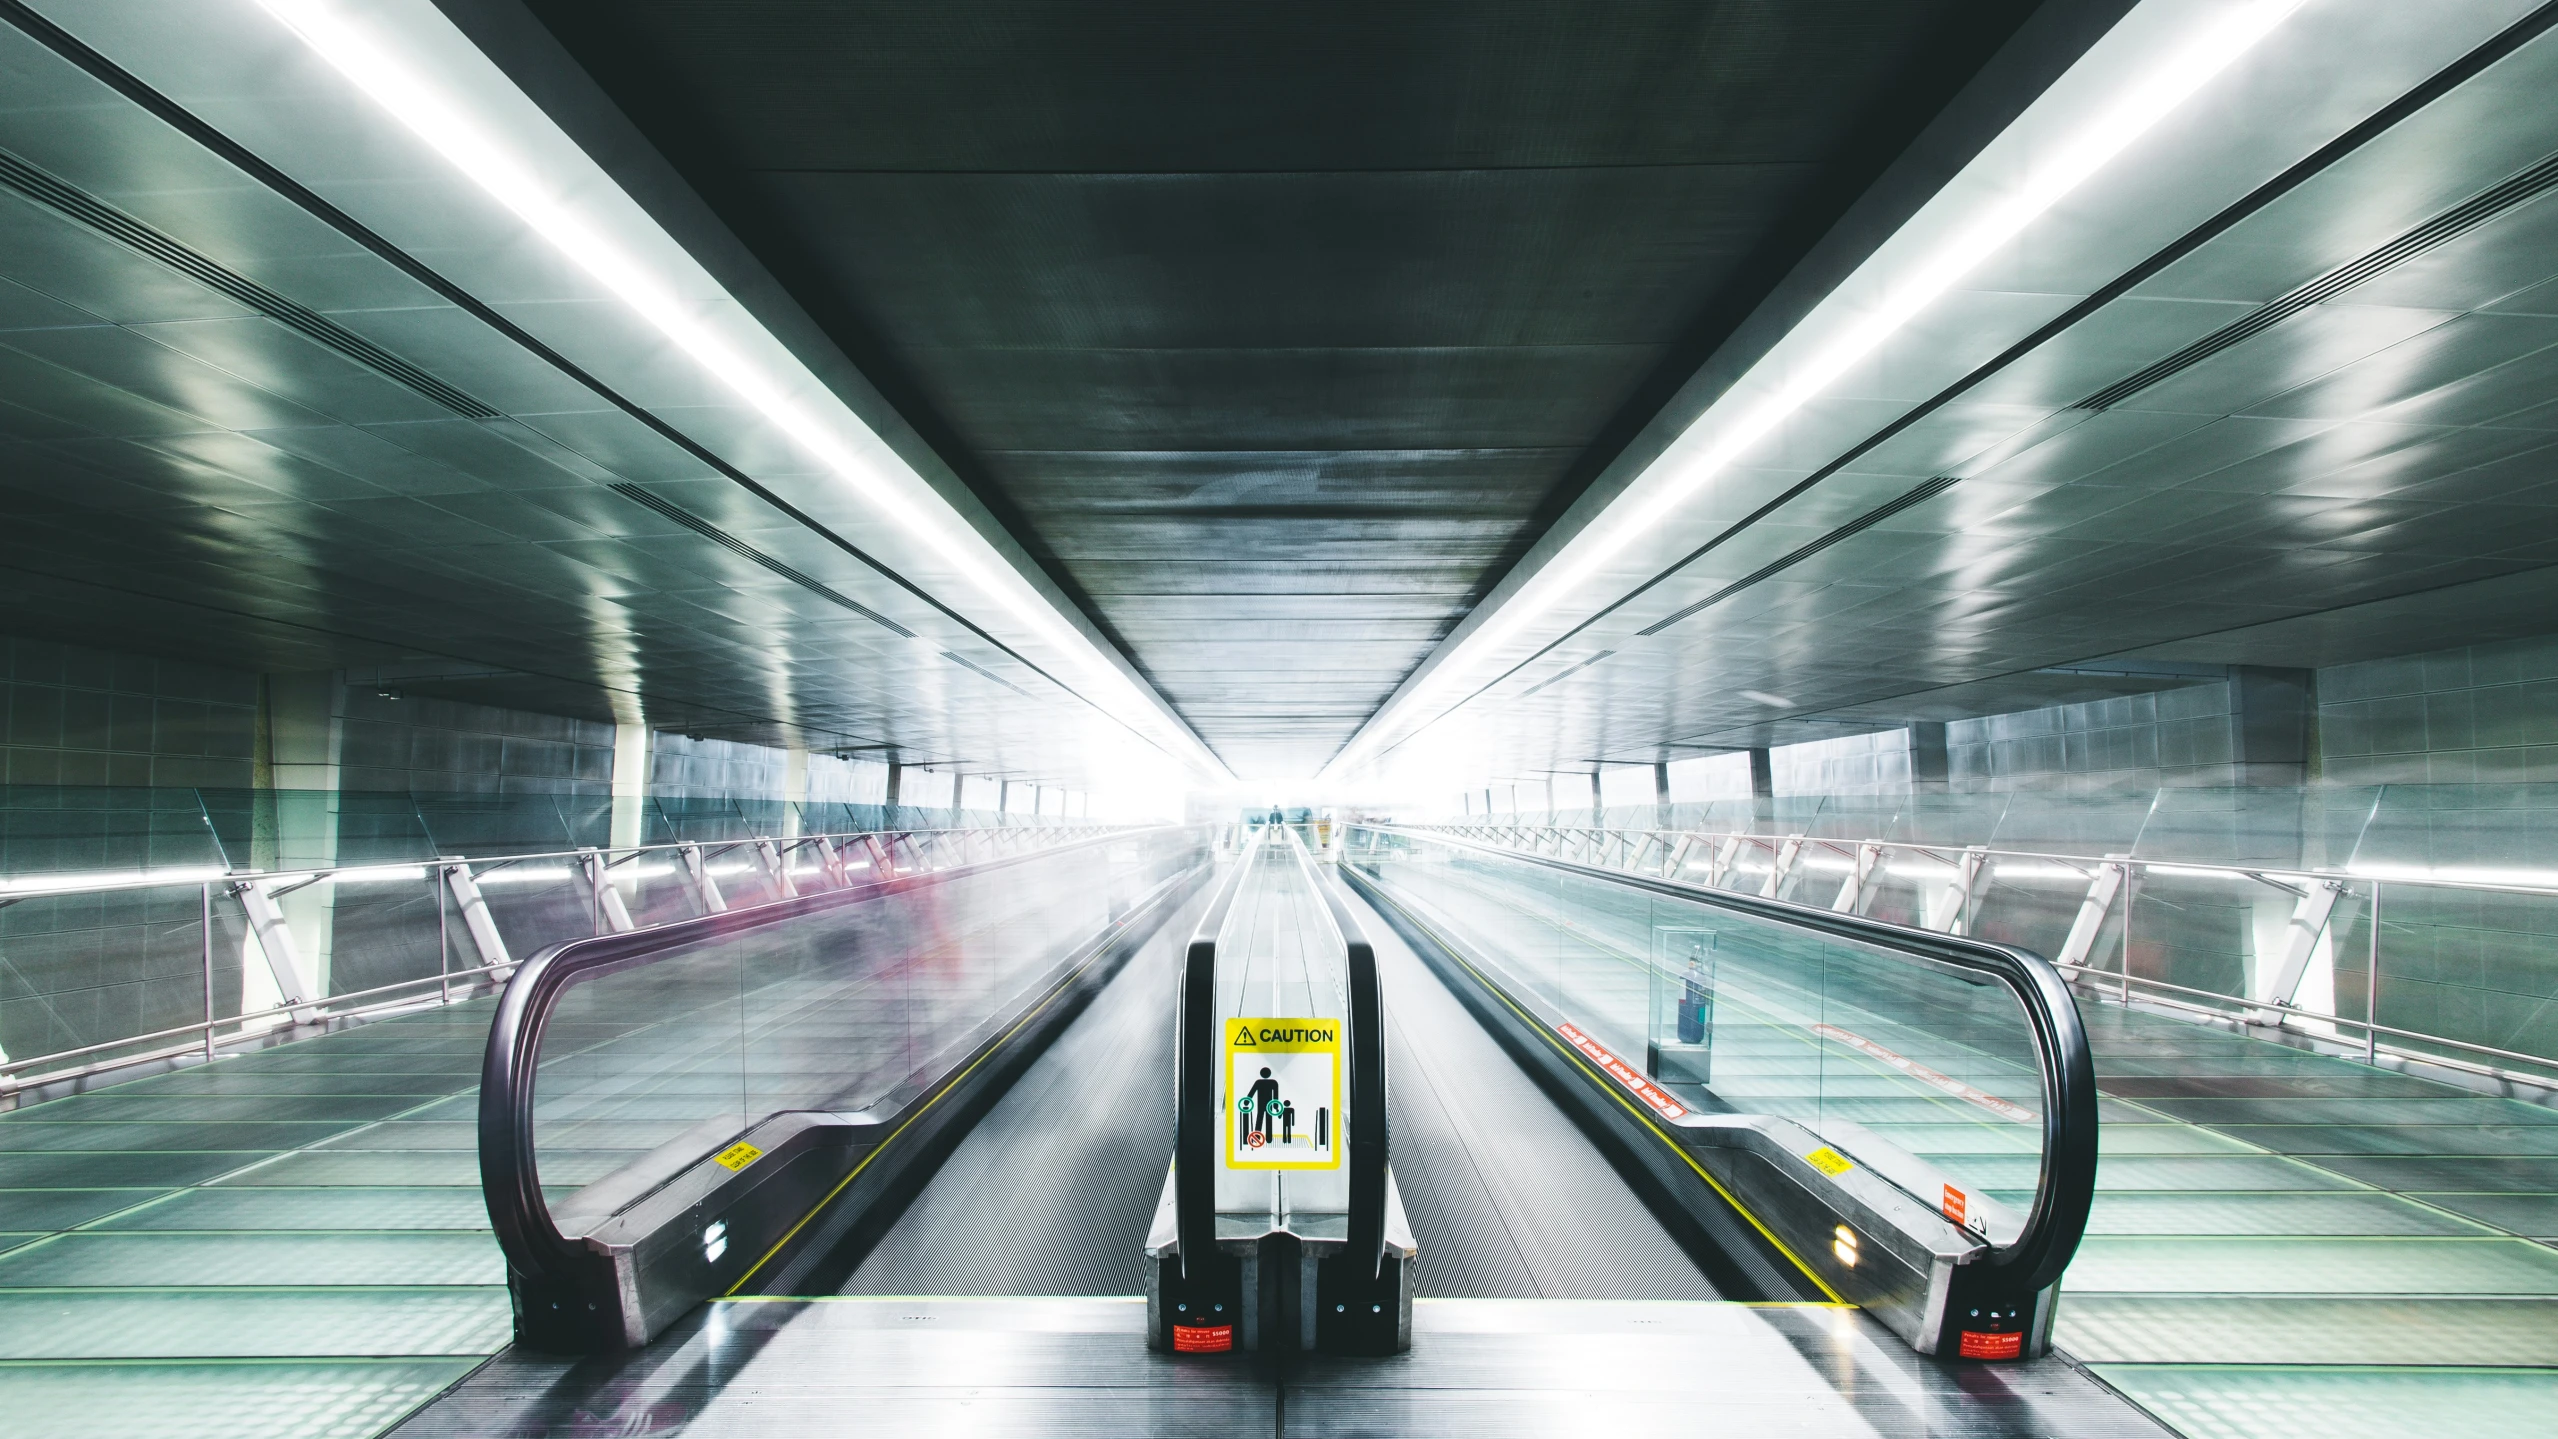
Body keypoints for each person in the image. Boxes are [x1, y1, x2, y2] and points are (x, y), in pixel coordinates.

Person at [1678, 942, 1712, 1045]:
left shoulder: (1696, 977)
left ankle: (1690, 1033)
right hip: (1692, 1006)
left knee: (1696, 1016)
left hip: (1695, 1006)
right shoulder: (1693, 976)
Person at [1247, 1066, 1281, 1144]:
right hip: (1269, 1105)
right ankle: (1269, 1139)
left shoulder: (1258, 1082)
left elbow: (1252, 1092)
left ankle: (1256, 1138)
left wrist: (1247, 1102)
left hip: (1261, 1104)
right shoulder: (1273, 1082)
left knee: (1259, 1120)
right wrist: (1275, 1106)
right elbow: (1276, 1096)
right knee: (1269, 1121)